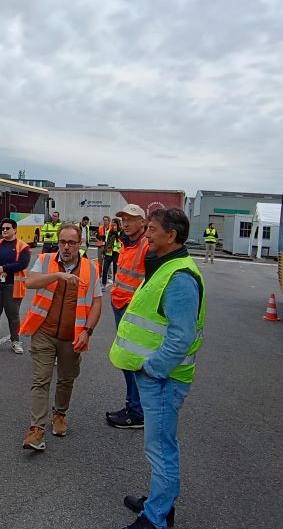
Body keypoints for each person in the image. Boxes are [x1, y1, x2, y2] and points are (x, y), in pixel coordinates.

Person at [110, 208, 205, 529]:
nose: (146, 235)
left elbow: (182, 336)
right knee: (158, 445)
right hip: (157, 377)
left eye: (151, 229)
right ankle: (159, 503)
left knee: (161, 448)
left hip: (164, 379)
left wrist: (153, 369)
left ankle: (156, 518)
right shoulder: (166, 265)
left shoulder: (179, 277)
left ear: (171, 235)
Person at [20, 224, 102, 451]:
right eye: (63, 242)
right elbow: (30, 282)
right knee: (41, 379)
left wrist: (87, 331)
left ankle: (60, 414)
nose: (66, 247)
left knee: (66, 379)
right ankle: (36, 429)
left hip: (72, 335)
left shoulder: (91, 268)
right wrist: (57, 275)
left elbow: (96, 302)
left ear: (80, 244)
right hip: (44, 332)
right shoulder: (45, 260)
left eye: (72, 243)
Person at [106, 204, 150, 430]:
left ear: (143, 222)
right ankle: (133, 405)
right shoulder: (125, 242)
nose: (126, 222)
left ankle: (137, 411)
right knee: (127, 360)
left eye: (131, 218)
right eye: (123, 218)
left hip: (133, 310)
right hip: (120, 304)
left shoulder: (146, 245)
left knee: (132, 361)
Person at [0, 218, 31, 354]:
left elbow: (22, 263)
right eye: (2, 228)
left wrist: (4, 268)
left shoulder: (23, 246)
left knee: (13, 315)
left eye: (7, 228)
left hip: (12, 285)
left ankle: (15, 341)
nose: (4, 230)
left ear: (14, 230)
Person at [102, 218, 122, 289]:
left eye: (115, 224)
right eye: (112, 224)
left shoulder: (121, 232)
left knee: (115, 270)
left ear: (117, 225)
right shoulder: (109, 232)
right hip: (108, 252)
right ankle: (103, 284)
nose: (113, 226)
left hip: (116, 253)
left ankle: (114, 284)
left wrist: (116, 233)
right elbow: (106, 242)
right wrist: (104, 250)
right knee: (104, 269)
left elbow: (120, 242)